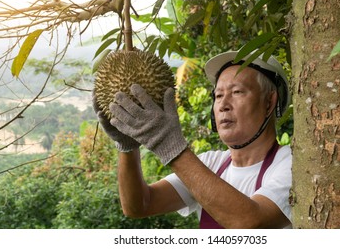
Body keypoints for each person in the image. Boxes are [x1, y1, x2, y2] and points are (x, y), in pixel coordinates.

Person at [92, 50, 292, 229]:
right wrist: (127, 146)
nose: (223, 105)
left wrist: (172, 148)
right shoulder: (211, 164)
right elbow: (138, 205)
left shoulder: (292, 164)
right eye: (219, 95)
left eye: (237, 92)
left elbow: (249, 222)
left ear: (269, 102)